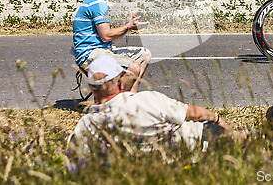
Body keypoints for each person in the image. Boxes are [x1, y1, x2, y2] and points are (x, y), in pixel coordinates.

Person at [72, 55, 234, 150]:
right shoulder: (148, 100)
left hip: (152, 168)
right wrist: (220, 120)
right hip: (196, 144)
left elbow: (75, 154)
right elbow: (197, 114)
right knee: (240, 137)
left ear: (92, 89)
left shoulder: (89, 123)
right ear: (120, 83)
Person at [73, 0, 151, 92]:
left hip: (97, 50)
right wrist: (127, 26)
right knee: (134, 68)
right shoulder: (98, 3)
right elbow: (106, 36)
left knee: (144, 55)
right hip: (91, 54)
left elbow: (107, 39)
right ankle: (117, 102)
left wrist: (128, 27)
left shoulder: (93, 0)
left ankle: (131, 98)